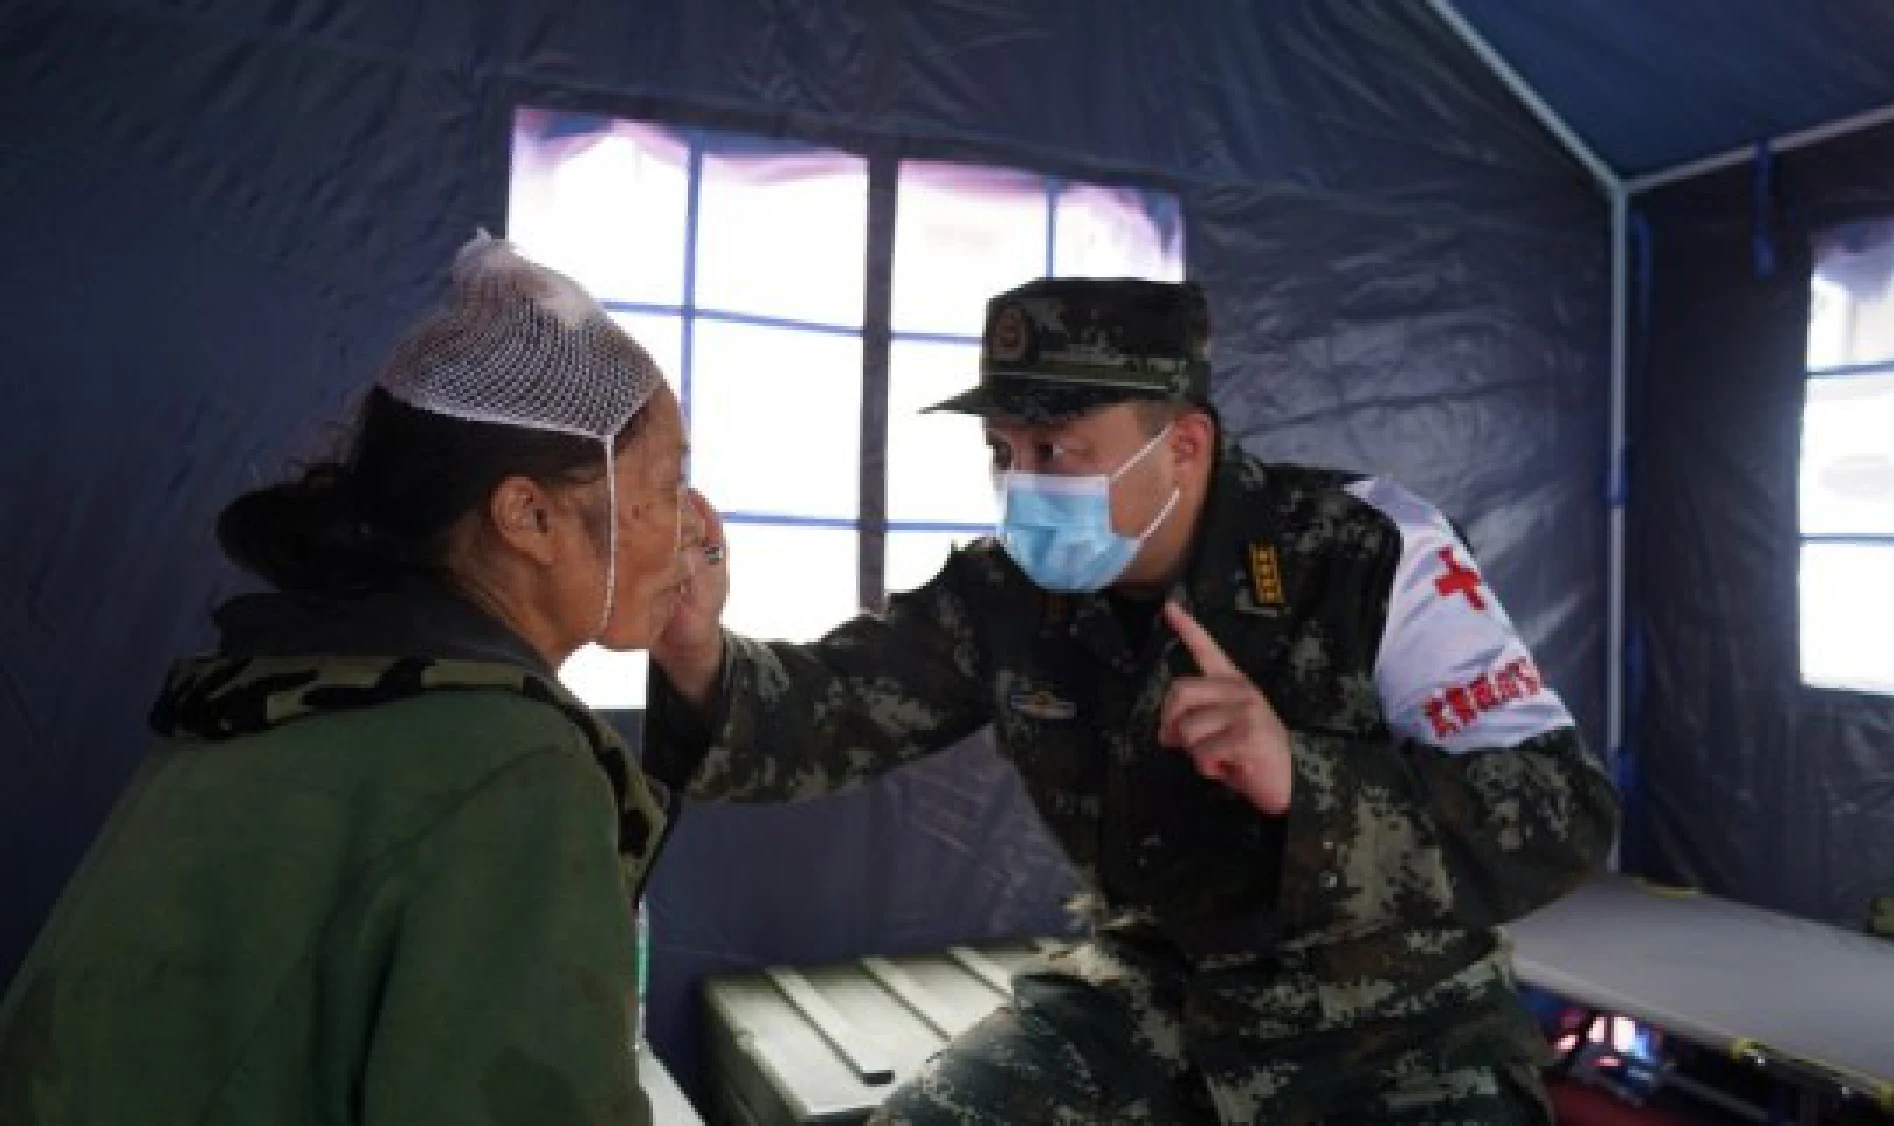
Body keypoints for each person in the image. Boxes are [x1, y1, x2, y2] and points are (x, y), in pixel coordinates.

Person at [648, 277, 1619, 1124]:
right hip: (1156, 996)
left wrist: (1305, 779)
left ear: (1184, 444)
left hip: (1394, 1027)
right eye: (1003, 449)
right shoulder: (1005, 594)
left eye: (1058, 449)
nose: (1022, 484)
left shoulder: (1367, 550)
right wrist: (693, 642)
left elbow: (1557, 815)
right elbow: (823, 713)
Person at [0, 236, 699, 1125]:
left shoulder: (293, 683)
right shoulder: (516, 768)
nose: (695, 524)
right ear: (528, 516)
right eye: (671, 480)